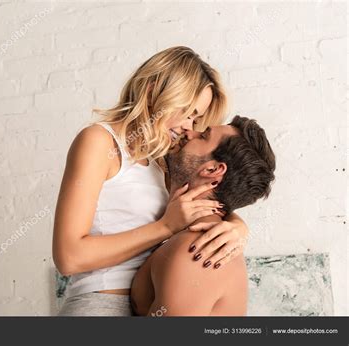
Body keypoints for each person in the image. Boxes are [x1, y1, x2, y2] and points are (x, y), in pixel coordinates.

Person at [53, 46, 250, 316]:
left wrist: (238, 227)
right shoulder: (100, 143)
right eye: (188, 112)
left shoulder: (165, 158)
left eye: (197, 118)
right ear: (154, 90)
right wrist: (165, 227)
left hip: (151, 305)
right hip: (102, 305)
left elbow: (204, 201)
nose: (190, 127)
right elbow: (69, 257)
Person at [131, 116, 276, 316]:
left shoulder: (198, 251)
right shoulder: (198, 238)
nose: (189, 132)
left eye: (203, 135)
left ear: (212, 170)